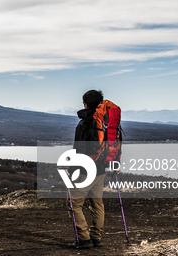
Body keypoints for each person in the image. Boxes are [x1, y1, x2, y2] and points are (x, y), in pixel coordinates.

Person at [68, 89, 107, 249]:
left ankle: (84, 239)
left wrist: (72, 167)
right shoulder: (105, 121)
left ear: (85, 103)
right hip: (101, 169)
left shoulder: (85, 122)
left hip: (85, 170)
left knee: (74, 203)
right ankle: (96, 238)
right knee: (97, 204)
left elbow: (79, 148)